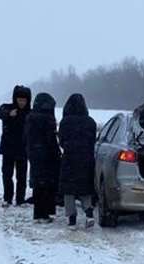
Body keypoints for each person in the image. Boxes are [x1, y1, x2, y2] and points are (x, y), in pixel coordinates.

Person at [58, 94, 96, 229]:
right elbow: (93, 141)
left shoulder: (65, 122)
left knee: (69, 190)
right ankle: (89, 213)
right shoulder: (90, 122)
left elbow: (61, 141)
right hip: (86, 159)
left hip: (69, 159)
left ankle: (72, 220)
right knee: (85, 188)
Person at [24, 93, 60, 223]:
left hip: (34, 154)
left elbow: (25, 137)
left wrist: (29, 150)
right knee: (48, 184)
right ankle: (47, 214)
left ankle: (37, 214)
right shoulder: (48, 118)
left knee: (38, 185)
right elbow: (51, 139)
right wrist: (56, 153)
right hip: (47, 155)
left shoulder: (29, 117)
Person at [0, 85, 32, 207]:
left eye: (24, 100)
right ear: (15, 99)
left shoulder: (29, 113)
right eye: (19, 99)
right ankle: (7, 198)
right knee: (7, 174)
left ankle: (20, 200)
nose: (22, 102)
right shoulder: (8, 108)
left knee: (21, 177)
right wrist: (8, 114)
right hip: (8, 148)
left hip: (22, 149)